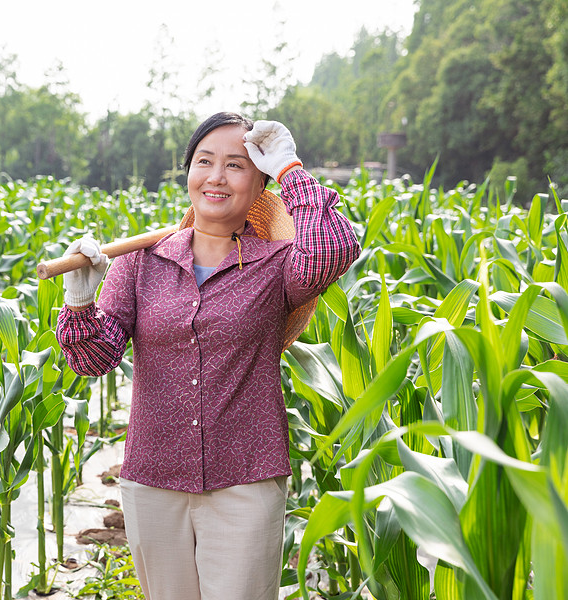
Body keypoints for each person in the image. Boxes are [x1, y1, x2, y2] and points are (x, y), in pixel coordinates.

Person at [55, 112, 361, 600]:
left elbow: (336, 247)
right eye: (204, 162)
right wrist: (81, 304)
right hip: (154, 480)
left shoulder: (277, 265)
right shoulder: (142, 261)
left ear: (259, 184)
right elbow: (95, 359)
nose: (216, 176)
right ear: (189, 173)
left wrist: (291, 169)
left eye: (236, 165)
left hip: (246, 480)